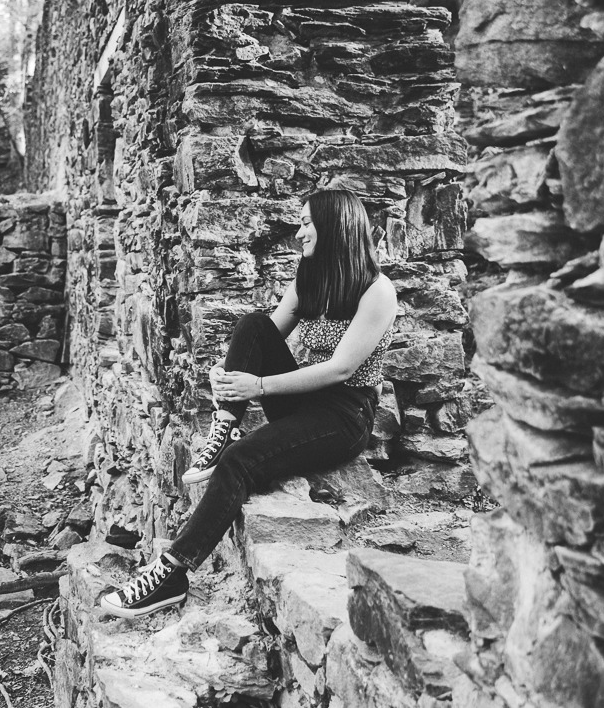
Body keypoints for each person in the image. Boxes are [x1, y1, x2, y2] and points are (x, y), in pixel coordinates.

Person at [99, 188, 397, 618]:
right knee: (252, 324)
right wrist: (228, 376)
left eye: (307, 223)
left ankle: (171, 574)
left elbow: (339, 370)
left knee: (241, 462)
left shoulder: (377, 291)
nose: (299, 233)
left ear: (334, 226)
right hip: (304, 401)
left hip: (344, 415)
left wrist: (257, 386)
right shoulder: (309, 278)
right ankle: (224, 428)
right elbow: (263, 336)